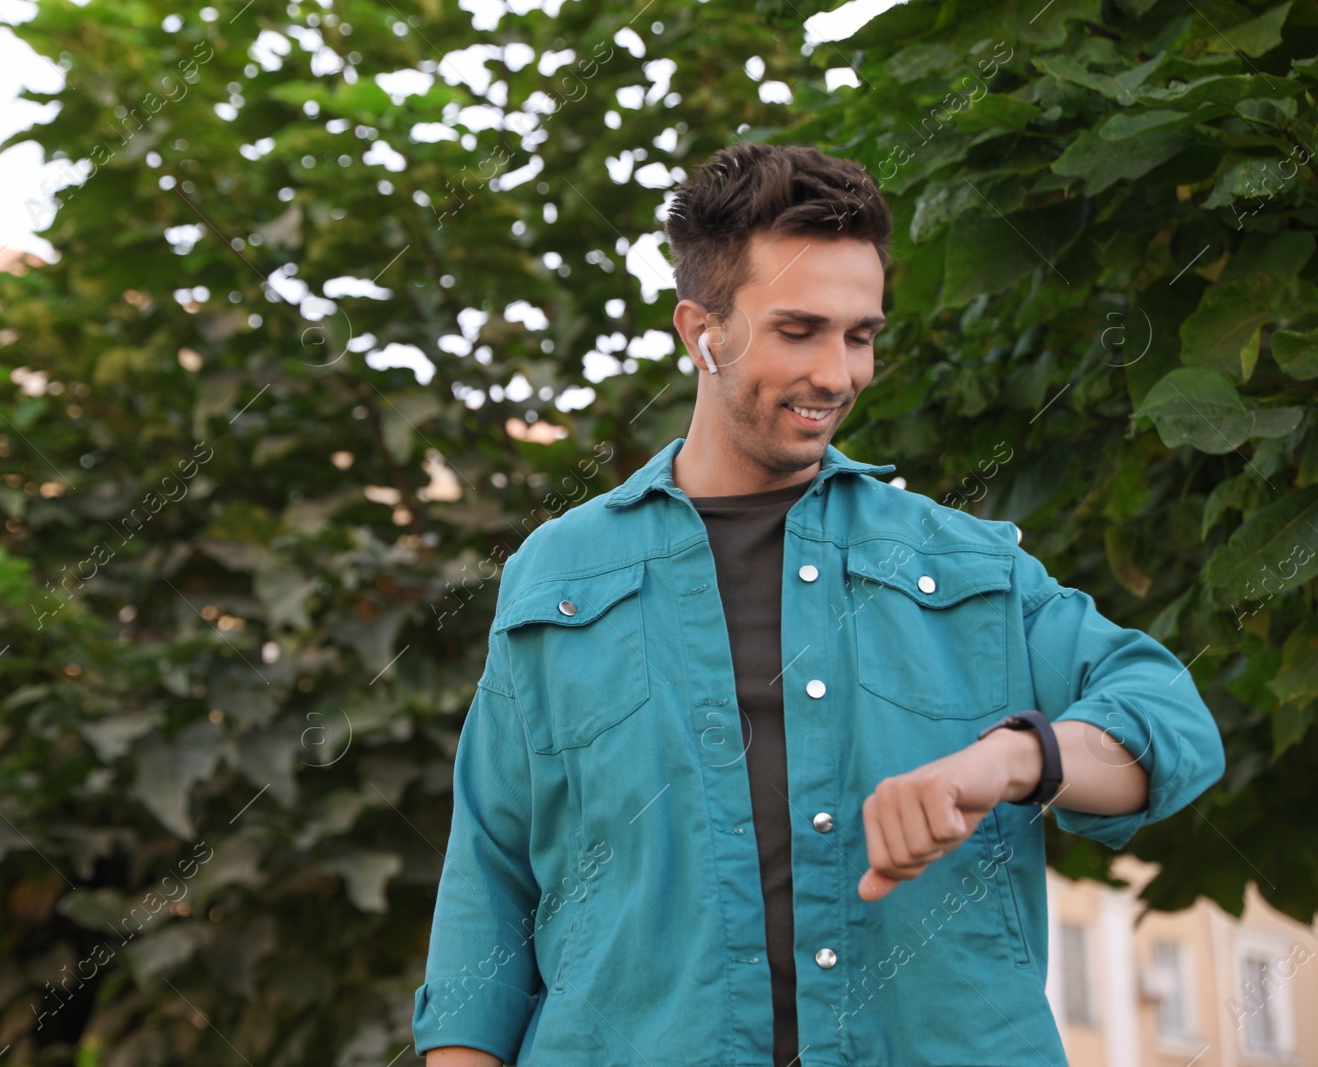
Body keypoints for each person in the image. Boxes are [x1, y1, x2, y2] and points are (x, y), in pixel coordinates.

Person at [411, 143, 1226, 1067]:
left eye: (861, 334)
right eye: (799, 330)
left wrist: (1008, 760)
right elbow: (489, 883)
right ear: (701, 329)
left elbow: (1169, 722)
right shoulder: (558, 572)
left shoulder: (962, 562)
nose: (838, 375)